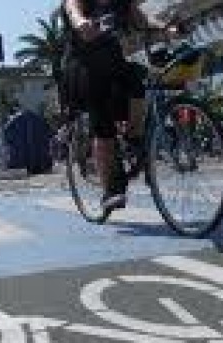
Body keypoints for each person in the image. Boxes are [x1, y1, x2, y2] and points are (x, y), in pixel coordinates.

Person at [62, 0, 178, 212]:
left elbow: (143, 21)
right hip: (83, 67)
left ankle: (134, 138)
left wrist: (164, 27)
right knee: (102, 119)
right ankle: (109, 190)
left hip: (113, 64)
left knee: (137, 78)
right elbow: (73, 10)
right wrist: (81, 22)